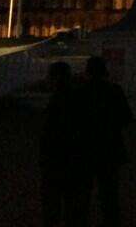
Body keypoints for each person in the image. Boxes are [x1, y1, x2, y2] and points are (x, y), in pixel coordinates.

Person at [74, 55, 133, 227]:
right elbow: (126, 117)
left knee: (83, 193)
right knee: (109, 194)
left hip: (86, 149)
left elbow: (73, 121)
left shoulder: (80, 93)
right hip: (110, 148)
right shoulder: (114, 91)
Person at [40, 62, 81, 227]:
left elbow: (51, 133)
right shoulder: (75, 98)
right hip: (73, 159)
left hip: (57, 160)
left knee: (53, 204)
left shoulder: (57, 101)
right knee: (71, 202)